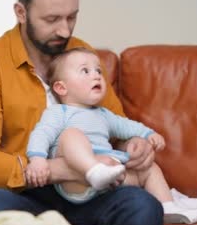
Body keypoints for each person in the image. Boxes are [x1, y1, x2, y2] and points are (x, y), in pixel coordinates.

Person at [0, 0, 163, 225]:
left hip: (92, 195)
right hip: (30, 195)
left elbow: (116, 128)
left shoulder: (83, 54)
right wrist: (61, 170)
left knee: (144, 207)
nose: (65, 31)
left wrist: (135, 145)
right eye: (52, 19)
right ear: (21, 12)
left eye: (72, 17)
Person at [25, 48, 174, 205]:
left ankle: (169, 208)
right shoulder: (59, 112)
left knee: (150, 169)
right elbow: (42, 133)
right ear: (62, 88)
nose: (96, 75)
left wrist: (148, 134)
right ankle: (94, 170)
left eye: (98, 71)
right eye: (85, 71)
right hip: (76, 181)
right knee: (71, 134)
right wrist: (37, 159)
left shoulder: (104, 114)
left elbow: (127, 126)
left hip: (111, 179)